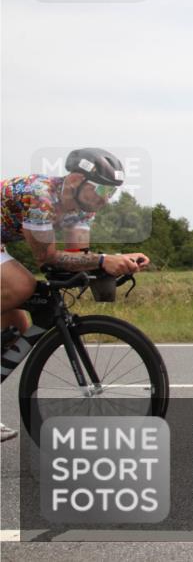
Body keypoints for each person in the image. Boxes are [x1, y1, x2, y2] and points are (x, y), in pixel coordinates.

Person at [1, 148, 150, 442]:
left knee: (16, 326)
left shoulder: (83, 207)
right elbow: (48, 258)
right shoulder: (40, 196)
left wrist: (116, 260)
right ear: (75, 179)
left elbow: (77, 257)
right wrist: (104, 259)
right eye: (102, 188)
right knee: (20, 286)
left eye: (112, 191)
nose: (107, 198)